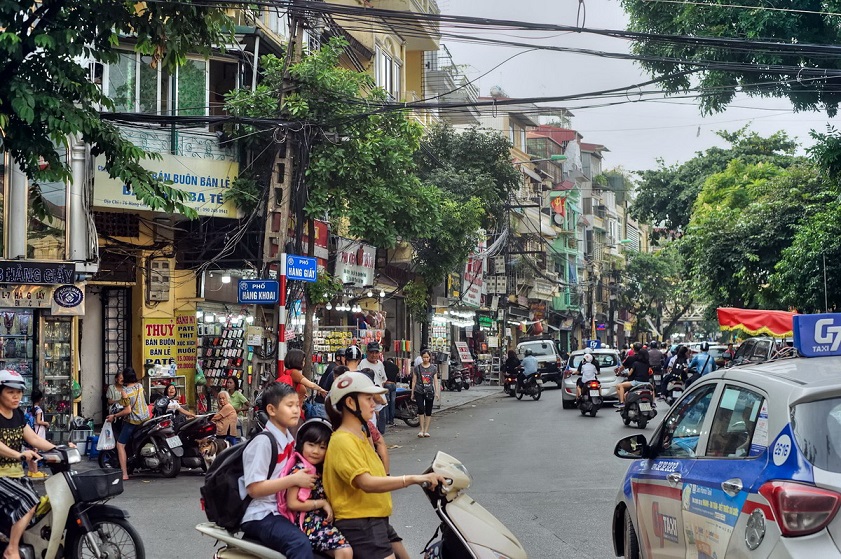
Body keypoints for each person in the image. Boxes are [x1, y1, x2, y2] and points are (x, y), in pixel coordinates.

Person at [323, 371, 445, 559]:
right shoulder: (342, 441)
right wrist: (414, 479)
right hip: (360, 525)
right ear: (350, 403)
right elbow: (366, 482)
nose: (374, 403)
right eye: (368, 398)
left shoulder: (361, 435)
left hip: (376, 520)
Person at [239, 382, 316, 559]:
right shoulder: (263, 443)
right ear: (272, 410)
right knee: (299, 544)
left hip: (280, 510)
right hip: (262, 514)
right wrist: (294, 480)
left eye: (298, 405)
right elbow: (254, 488)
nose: (296, 410)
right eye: (290, 406)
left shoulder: (289, 439)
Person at [0, 371, 66, 559]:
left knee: (40, 507)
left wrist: (59, 448)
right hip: (1, 476)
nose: (16, 397)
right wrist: (19, 454)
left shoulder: (18, 415)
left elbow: (35, 438)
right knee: (29, 501)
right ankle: (11, 549)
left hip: (15, 475)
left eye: (19, 392)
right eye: (10, 392)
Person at [284, 419, 352, 559]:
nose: (316, 451)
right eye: (311, 445)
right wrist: (321, 503)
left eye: (322, 447)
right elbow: (292, 503)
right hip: (308, 523)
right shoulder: (301, 470)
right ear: (302, 444)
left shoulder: (321, 469)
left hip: (322, 520)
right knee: (344, 551)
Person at [105, 367, 148, 481]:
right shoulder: (139, 386)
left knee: (120, 445)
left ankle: (124, 473)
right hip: (145, 418)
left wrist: (114, 416)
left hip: (133, 420)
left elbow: (128, 410)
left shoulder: (125, 392)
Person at [284, 349, 329, 415]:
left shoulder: (290, 372)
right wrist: (321, 389)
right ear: (297, 360)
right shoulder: (294, 373)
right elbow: (311, 385)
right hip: (295, 412)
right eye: (303, 360)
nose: (304, 363)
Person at [359, 342, 388, 433]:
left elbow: (383, 380)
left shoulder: (380, 364)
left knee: (381, 429)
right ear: (367, 352)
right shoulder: (362, 364)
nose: (374, 355)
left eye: (376, 352)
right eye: (371, 352)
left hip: (381, 401)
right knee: (370, 430)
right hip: (369, 401)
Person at [411, 349, 439, 438]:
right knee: (420, 409)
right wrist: (412, 392)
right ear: (421, 357)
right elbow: (414, 380)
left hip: (429, 391)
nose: (426, 359)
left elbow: (435, 381)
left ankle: (426, 430)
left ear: (430, 357)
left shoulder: (433, 368)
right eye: (424, 357)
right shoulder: (417, 368)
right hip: (419, 390)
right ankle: (421, 429)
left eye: (427, 357)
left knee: (428, 411)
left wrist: (437, 392)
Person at [24, 389, 49, 479]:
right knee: (35, 452)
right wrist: (46, 423)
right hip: (37, 432)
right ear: (40, 399)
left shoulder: (28, 408)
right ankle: (35, 471)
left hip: (29, 431)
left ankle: (31, 470)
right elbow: (38, 421)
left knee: (30, 451)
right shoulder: (38, 410)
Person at [383, 358, 399, 427]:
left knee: (386, 403)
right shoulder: (396, 368)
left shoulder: (385, 366)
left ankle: (386, 420)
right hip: (393, 385)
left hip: (387, 385)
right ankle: (391, 420)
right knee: (393, 403)